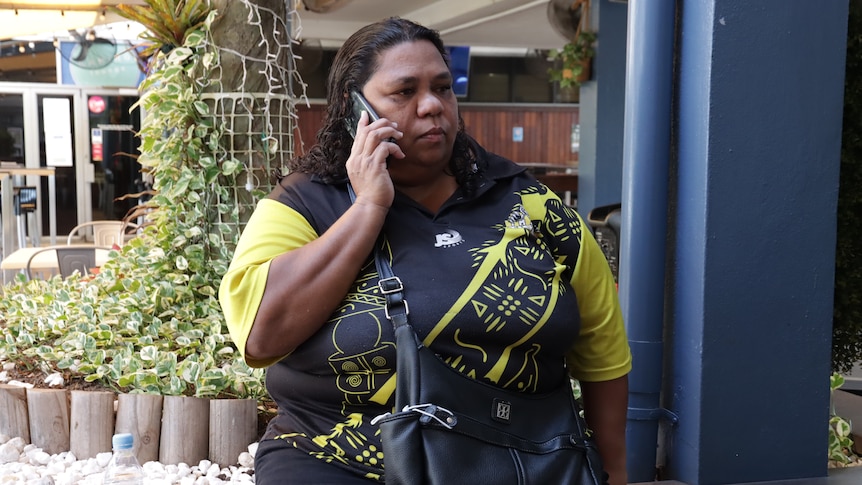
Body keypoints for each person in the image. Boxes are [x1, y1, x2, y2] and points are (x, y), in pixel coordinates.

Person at [219, 17, 631, 485]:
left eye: (442, 88)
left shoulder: (530, 204)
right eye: (404, 92)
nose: (432, 105)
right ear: (356, 109)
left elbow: (603, 353)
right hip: (335, 458)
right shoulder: (305, 205)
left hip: (520, 457)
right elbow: (261, 336)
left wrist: (614, 471)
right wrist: (369, 207)